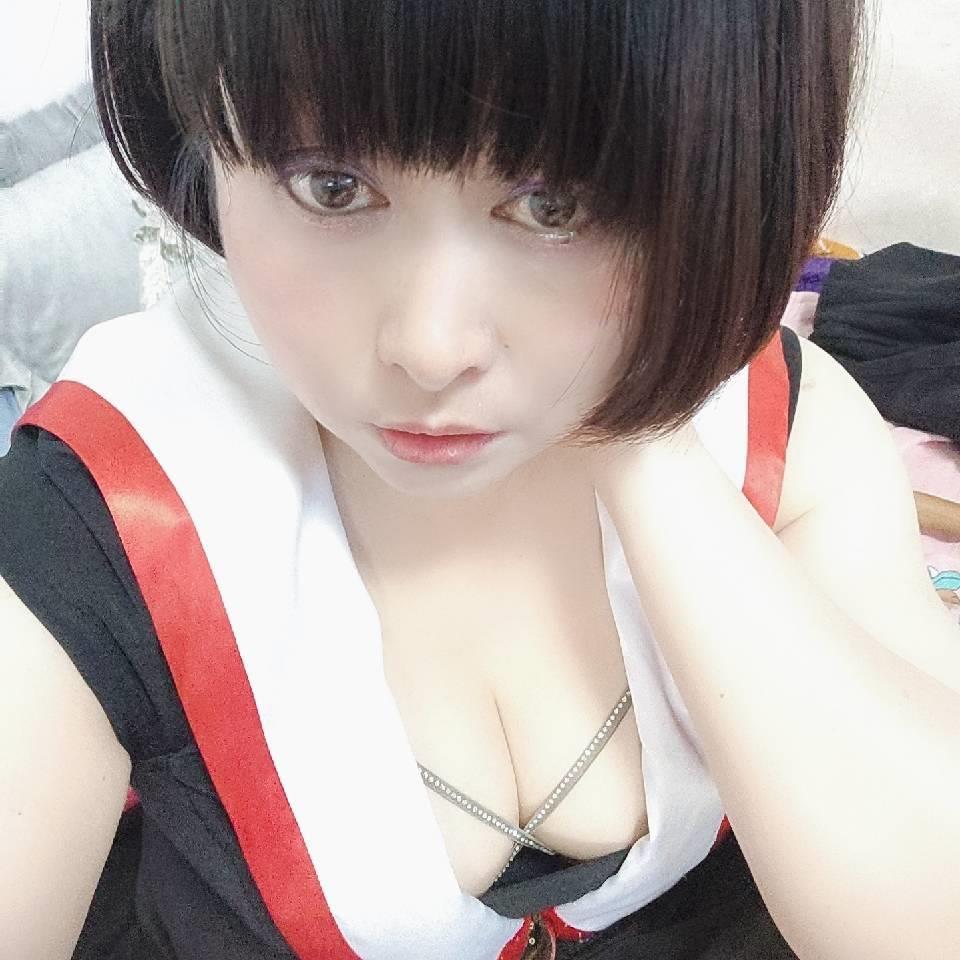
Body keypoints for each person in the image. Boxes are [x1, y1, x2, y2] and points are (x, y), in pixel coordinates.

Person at [1, 2, 958, 959]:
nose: (430, 347)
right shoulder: (101, 511)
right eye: (332, 187)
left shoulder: (788, 426)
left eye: (556, 206)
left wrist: (643, 423)